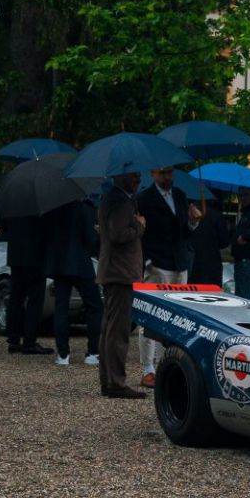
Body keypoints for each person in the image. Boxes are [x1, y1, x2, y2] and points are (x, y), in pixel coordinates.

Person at [137, 167, 191, 386]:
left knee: (175, 317)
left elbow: (184, 233)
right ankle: (148, 368)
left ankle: (165, 365)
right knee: (150, 316)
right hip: (157, 265)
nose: (167, 177)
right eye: (162, 173)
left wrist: (194, 222)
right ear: (153, 174)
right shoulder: (143, 199)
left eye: (169, 173)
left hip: (180, 264)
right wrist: (147, 262)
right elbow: (141, 233)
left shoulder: (180, 195)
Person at [96, 170, 146, 399]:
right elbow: (118, 234)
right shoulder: (120, 202)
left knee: (109, 329)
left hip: (114, 271)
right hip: (121, 273)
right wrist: (139, 226)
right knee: (118, 331)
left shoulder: (113, 199)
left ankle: (109, 381)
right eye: (134, 176)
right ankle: (115, 382)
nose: (138, 180)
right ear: (121, 177)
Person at [44, 196, 103, 367]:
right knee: (95, 306)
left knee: (61, 308)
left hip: (60, 264)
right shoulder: (85, 208)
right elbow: (91, 239)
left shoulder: (54, 209)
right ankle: (92, 352)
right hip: (81, 264)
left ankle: (63, 354)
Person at [0, 211, 48, 354]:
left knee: (16, 297)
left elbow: (3, 226)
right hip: (35, 254)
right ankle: (29, 341)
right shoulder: (40, 202)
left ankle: (13, 339)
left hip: (16, 253)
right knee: (35, 299)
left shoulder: (13, 201)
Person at [187, 196, 230, 287]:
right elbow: (224, 242)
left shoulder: (188, 213)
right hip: (212, 263)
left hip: (191, 261)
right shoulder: (217, 215)